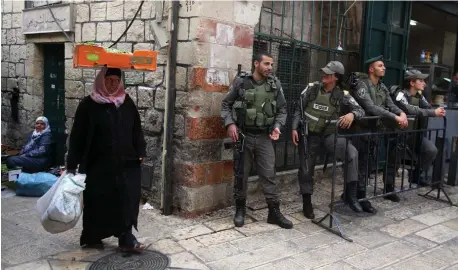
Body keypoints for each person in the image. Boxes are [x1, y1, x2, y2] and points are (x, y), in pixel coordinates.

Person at [66, 67, 147, 253]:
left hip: (126, 162)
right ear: (101, 81)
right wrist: (71, 164)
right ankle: (92, 236)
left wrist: (140, 150)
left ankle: (126, 237)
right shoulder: (88, 105)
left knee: (127, 199)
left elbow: (137, 128)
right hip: (98, 164)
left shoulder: (127, 102)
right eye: (108, 80)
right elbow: (77, 136)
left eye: (116, 81)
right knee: (97, 200)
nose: (112, 84)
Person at [221, 52, 293, 229]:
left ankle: (274, 212)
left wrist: (277, 126)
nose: (270, 68)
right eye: (266, 64)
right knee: (241, 175)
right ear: (256, 64)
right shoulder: (241, 82)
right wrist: (230, 124)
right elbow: (226, 105)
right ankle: (240, 210)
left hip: (264, 137)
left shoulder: (275, 84)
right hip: (244, 136)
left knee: (269, 175)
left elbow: (282, 109)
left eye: (271, 65)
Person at [291, 61, 366, 218]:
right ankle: (307, 202)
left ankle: (351, 195)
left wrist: (352, 115)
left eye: (328, 73)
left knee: (351, 153)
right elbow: (299, 108)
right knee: (305, 169)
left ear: (336, 78)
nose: (324, 74)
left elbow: (360, 110)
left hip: (330, 136)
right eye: (324, 72)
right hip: (309, 135)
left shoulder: (343, 95)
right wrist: (293, 127)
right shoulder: (311, 89)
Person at [351, 55, 408, 210]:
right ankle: (359, 196)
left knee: (369, 163)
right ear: (371, 69)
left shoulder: (381, 87)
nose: (384, 68)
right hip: (361, 130)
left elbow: (390, 104)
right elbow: (370, 107)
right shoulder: (361, 85)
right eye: (380, 65)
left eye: (383, 66)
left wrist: (401, 113)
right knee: (362, 164)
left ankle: (355, 194)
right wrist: (395, 116)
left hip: (375, 130)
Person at [390, 69, 445, 186]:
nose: (424, 83)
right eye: (421, 80)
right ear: (412, 83)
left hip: (414, 133)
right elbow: (408, 108)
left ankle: (415, 175)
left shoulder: (419, 95)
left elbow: (428, 107)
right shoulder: (400, 94)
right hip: (398, 133)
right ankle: (388, 186)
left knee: (431, 150)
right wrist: (432, 112)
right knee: (394, 159)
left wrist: (432, 109)